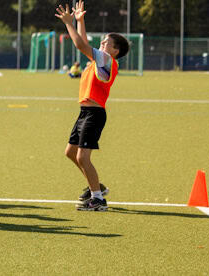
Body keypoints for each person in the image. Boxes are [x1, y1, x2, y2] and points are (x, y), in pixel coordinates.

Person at [56, 1, 129, 211]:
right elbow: (84, 43)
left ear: (115, 50)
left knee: (82, 156)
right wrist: (80, 20)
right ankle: (95, 187)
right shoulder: (99, 60)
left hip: (94, 114)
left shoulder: (107, 60)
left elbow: (80, 44)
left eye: (107, 42)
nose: (103, 43)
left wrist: (69, 23)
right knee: (70, 153)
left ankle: (98, 199)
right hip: (85, 112)